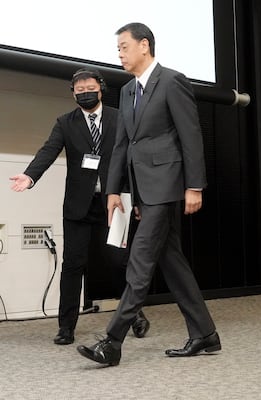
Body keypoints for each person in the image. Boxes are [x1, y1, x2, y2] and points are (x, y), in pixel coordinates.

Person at [77, 22, 220, 366]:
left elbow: (191, 136)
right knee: (172, 262)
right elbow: (123, 144)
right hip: (142, 189)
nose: (120, 54)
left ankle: (112, 341)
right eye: (118, 49)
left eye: (124, 47)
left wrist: (194, 185)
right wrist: (114, 191)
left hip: (168, 185)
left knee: (140, 261)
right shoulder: (126, 91)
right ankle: (205, 334)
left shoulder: (172, 81)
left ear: (144, 45)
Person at [9, 68, 150, 345]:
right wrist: (29, 175)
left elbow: (134, 161)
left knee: (119, 262)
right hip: (78, 207)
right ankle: (66, 327)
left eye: (90, 87)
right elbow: (48, 151)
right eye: (79, 89)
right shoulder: (65, 122)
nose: (85, 92)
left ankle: (134, 314)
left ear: (101, 88)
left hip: (115, 202)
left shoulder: (121, 118)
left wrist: (138, 198)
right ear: (73, 94)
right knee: (73, 265)